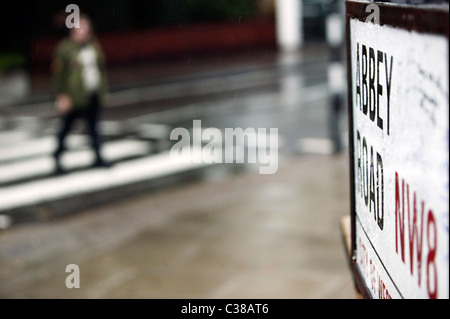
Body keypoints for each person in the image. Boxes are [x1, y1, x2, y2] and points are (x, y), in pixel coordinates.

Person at [51, 14, 110, 174]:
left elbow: (100, 70)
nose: (84, 31)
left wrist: (103, 92)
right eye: (80, 28)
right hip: (74, 98)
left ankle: (98, 156)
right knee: (66, 128)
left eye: (86, 27)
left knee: (94, 128)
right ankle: (57, 156)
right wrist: (61, 96)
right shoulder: (65, 49)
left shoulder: (93, 46)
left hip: (92, 94)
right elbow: (59, 76)